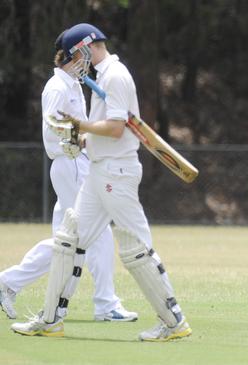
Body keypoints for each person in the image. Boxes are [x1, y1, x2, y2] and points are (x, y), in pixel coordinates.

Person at [11, 23, 191, 341]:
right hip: (98, 170)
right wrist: (83, 140)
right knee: (70, 239)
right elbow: (105, 127)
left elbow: (117, 128)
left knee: (136, 246)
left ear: (84, 48)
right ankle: (52, 319)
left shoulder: (116, 75)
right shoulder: (101, 77)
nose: (77, 60)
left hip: (116, 172)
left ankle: (173, 320)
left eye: (77, 53)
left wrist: (82, 126)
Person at [0, 30, 137, 323]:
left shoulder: (73, 84)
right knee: (94, 232)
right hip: (70, 163)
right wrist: (82, 134)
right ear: (75, 55)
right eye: (87, 53)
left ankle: (9, 283)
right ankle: (105, 304)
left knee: (67, 240)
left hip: (77, 163)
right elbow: (52, 127)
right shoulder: (57, 87)